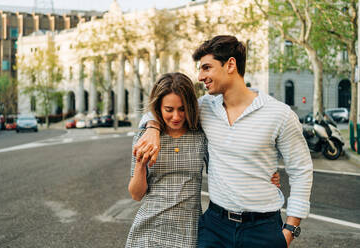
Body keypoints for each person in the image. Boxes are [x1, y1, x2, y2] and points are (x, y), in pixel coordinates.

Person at [134, 35, 313, 248]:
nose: (200, 76)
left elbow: (301, 170)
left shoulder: (279, 114)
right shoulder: (205, 108)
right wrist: (152, 129)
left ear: (230, 64)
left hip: (262, 230)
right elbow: (164, 110)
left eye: (207, 68)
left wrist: (290, 229)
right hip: (214, 228)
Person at [126, 72, 281, 248]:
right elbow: (136, 194)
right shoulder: (145, 137)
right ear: (159, 108)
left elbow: (227, 164)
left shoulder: (200, 135)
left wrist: (262, 175)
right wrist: (140, 163)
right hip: (150, 229)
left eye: (182, 109)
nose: (176, 117)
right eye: (169, 110)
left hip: (188, 230)